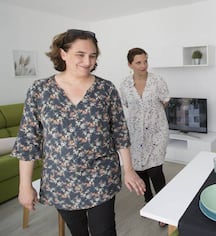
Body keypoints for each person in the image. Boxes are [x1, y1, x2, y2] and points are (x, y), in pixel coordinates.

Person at [11, 29, 146, 236]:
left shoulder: (105, 89)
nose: (87, 61)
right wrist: (24, 185)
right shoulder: (40, 90)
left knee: (105, 231)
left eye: (92, 56)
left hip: (101, 175)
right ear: (63, 54)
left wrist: (128, 169)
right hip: (61, 179)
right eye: (80, 55)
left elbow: (119, 132)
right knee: (78, 231)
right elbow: (28, 141)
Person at [119, 48, 170, 227]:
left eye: (145, 61)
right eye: (138, 62)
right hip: (135, 135)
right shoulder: (124, 85)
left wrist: (152, 117)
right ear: (130, 64)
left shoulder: (158, 81)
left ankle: (163, 210)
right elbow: (126, 105)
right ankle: (149, 201)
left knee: (155, 170)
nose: (143, 66)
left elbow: (165, 101)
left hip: (157, 132)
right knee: (140, 170)